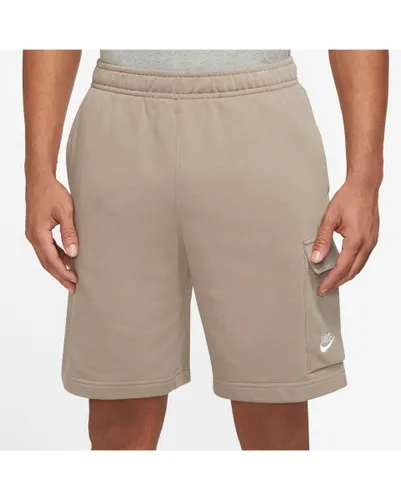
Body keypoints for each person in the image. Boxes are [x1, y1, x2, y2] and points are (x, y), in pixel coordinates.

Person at [23, 50, 388, 450]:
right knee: (118, 416)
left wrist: (365, 177)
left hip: (261, 118)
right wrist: (38, 173)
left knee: (276, 414)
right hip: (119, 123)